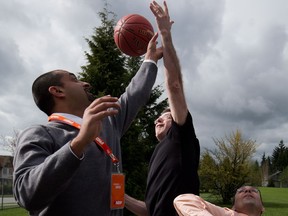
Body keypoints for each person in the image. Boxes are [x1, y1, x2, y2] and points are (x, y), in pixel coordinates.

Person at [12, 31, 163, 215]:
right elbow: (27, 194)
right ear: (57, 91)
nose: (86, 83)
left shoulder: (107, 122)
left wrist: (150, 59)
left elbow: (134, 94)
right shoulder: (39, 134)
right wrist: (79, 142)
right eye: (74, 79)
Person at [125, 1, 200, 215]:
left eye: (165, 117)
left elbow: (175, 86)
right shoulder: (159, 152)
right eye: (158, 117)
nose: (157, 119)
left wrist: (165, 34)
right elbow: (150, 210)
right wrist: (120, 195)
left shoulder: (181, 137)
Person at [174, 185, 265, 216]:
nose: (247, 191)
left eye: (254, 190)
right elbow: (183, 200)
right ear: (233, 207)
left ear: (262, 208)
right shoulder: (223, 213)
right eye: (241, 191)